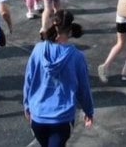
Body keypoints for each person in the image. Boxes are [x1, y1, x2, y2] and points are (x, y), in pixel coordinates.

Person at [23, 10, 94, 145]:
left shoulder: (38, 50)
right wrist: (88, 111)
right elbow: (83, 89)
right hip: (61, 119)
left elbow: (28, 80)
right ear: (70, 30)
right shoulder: (77, 57)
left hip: (38, 117)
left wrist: (27, 106)